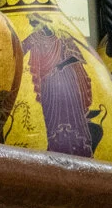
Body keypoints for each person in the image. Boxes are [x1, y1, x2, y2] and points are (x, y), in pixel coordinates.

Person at [22, 14, 94, 157]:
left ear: (41, 22)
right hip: (48, 83)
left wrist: (61, 65)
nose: (31, 24)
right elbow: (20, 48)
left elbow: (77, 56)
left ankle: (80, 147)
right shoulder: (35, 37)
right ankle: (55, 147)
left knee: (73, 113)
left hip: (67, 80)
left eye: (33, 21)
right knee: (52, 116)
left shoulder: (62, 36)